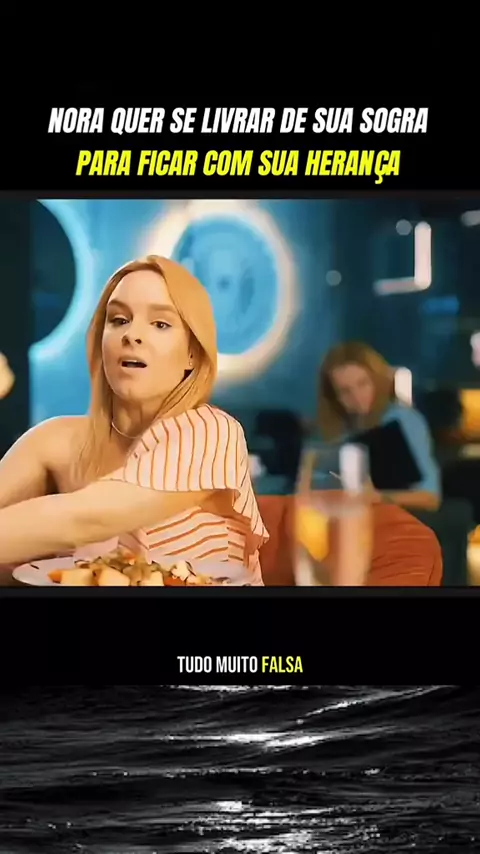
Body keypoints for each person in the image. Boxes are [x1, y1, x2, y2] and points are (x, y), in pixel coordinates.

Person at [0, 255, 268, 584]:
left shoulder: (213, 432)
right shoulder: (53, 441)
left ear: (192, 354)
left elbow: (87, 520)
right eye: (118, 319)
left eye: (160, 324)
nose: (132, 335)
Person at [317, 341, 441, 512]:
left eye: (362, 384)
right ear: (334, 398)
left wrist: (378, 498)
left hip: (400, 520)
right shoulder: (340, 434)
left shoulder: (403, 420)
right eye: (345, 391)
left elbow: (430, 498)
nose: (356, 396)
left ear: (377, 380)